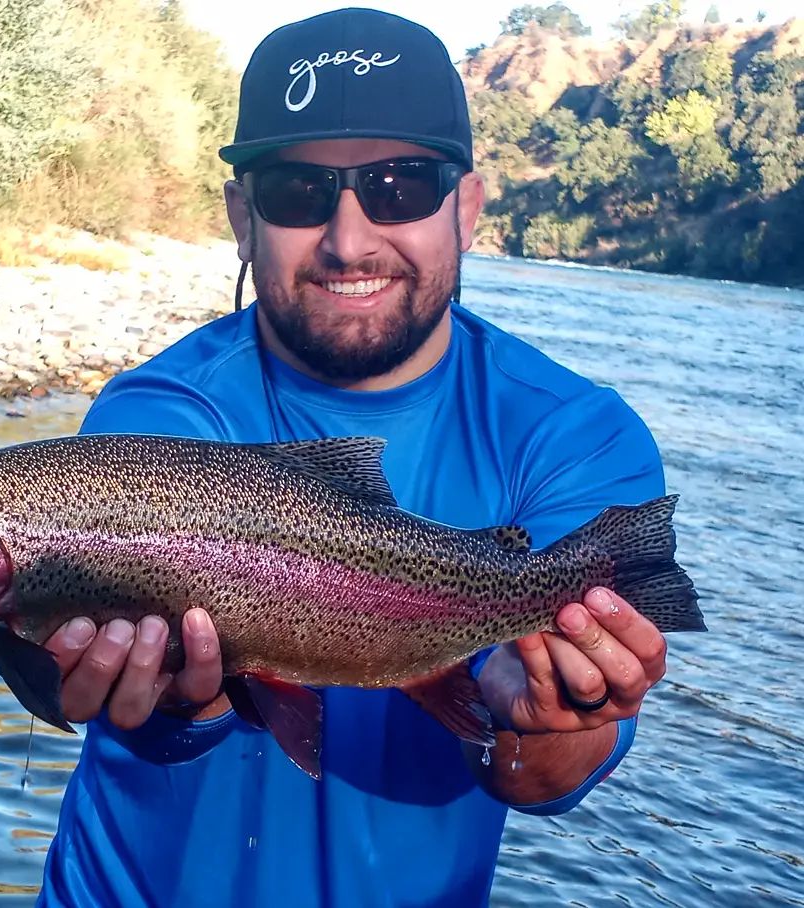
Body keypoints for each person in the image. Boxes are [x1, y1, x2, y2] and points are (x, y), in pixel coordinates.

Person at [36, 8, 673, 906]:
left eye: (401, 186)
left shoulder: (575, 436)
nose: (348, 239)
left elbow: (547, 781)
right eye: (299, 193)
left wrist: (526, 714)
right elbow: (147, 711)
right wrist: (192, 706)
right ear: (241, 216)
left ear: (469, 207)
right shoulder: (161, 414)